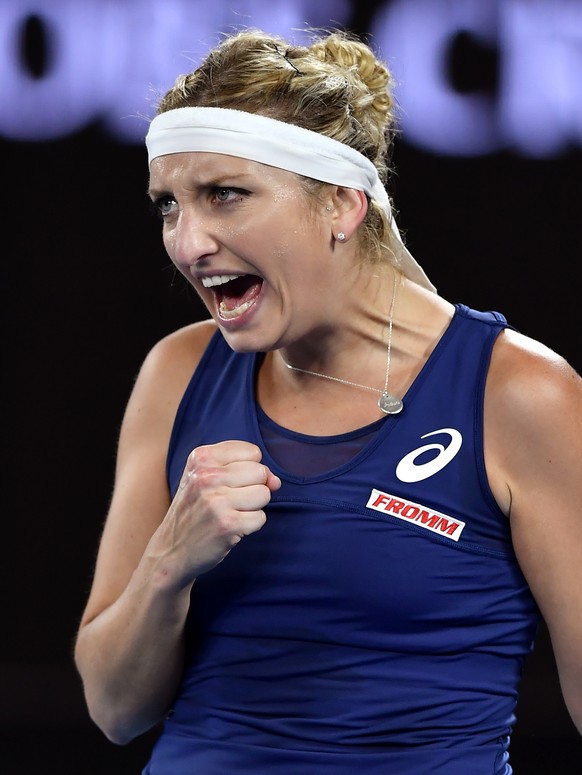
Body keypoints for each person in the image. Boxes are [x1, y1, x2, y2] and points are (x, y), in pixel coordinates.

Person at [74, 27, 582, 774]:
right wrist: (167, 564)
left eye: (224, 194)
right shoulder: (177, 371)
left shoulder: (520, 394)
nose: (188, 243)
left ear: (342, 204)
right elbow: (115, 711)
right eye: (169, 206)